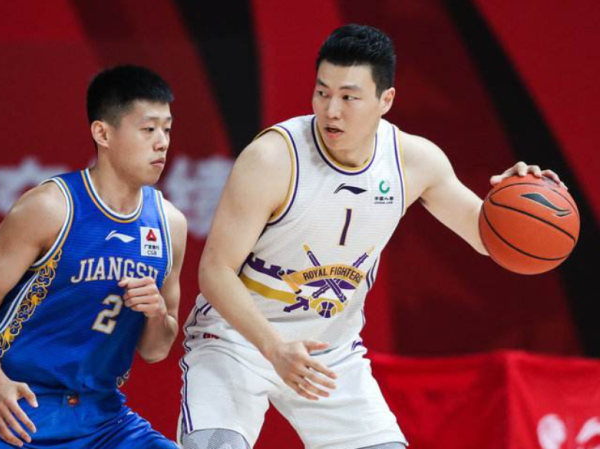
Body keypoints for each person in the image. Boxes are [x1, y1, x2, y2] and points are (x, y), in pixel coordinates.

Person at [178, 25, 565, 449]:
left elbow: (486, 236)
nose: (331, 111)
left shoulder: (414, 161)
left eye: (349, 97)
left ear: (386, 100)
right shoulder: (272, 159)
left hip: (330, 351)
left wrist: (517, 201)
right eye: (322, 93)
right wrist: (274, 348)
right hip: (238, 340)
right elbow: (215, 271)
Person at [0, 65, 187, 449]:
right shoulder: (49, 208)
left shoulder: (170, 224)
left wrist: (156, 312)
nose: (162, 142)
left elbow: (156, 350)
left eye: (167, 129)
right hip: (23, 414)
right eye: (148, 129)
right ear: (102, 133)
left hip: (106, 421)